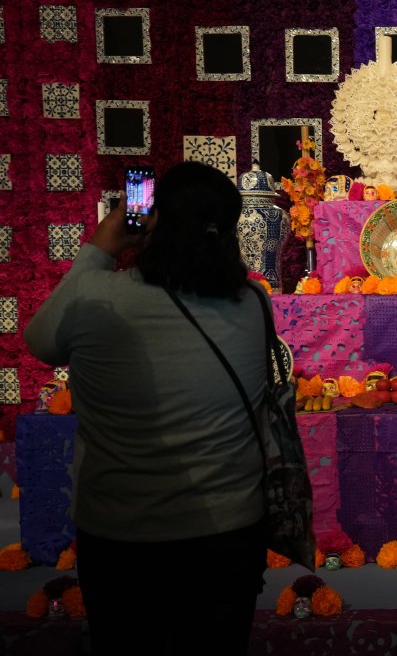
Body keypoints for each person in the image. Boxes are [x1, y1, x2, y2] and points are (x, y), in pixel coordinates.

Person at [25, 162, 271, 655]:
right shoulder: (250, 303)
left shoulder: (97, 297)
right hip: (229, 531)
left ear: (151, 219)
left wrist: (99, 250)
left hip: (121, 534)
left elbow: (40, 343)